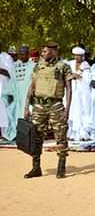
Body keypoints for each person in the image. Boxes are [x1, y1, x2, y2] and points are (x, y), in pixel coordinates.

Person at [23, 41, 73, 178]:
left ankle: (61, 167)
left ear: (54, 51)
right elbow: (32, 86)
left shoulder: (63, 67)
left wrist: (67, 109)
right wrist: (26, 106)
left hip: (55, 105)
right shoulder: (38, 66)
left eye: (46, 51)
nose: (43, 54)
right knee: (36, 137)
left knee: (61, 135)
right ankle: (36, 167)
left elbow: (69, 89)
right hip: (38, 106)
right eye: (43, 51)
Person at [67, 47, 95, 141]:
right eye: (76, 56)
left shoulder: (86, 66)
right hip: (72, 92)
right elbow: (65, 75)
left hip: (82, 93)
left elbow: (88, 80)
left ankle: (83, 134)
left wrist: (79, 77)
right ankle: (71, 134)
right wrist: (71, 76)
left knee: (83, 112)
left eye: (79, 56)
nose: (77, 58)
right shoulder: (70, 64)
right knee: (72, 112)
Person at [13, 46, 35, 120]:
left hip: (28, 95)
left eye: (24, 54)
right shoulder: (14, 65)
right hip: (16, 95)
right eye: (20, 54)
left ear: (28, 55)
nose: (22, 56)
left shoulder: (33, 65)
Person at [0, 45, 15, 140]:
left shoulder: (6, 57)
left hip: (4, 89)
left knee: (4, 114)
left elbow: (10, 73)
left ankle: (5, 134)